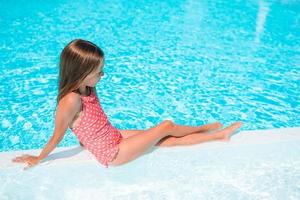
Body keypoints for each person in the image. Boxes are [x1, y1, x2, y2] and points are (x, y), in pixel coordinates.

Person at [12, 39, 243, 169]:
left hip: (113, 135)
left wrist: (85, 139)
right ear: (80, 73)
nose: (102, 76)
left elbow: (84, 123)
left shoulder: (88, 87)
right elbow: (58, 134)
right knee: (166, 126)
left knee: (164, 140)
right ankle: (206, 129)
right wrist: (39, 158)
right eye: (98, 72)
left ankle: (216, 135)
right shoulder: (70, 100)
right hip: (113, 153)